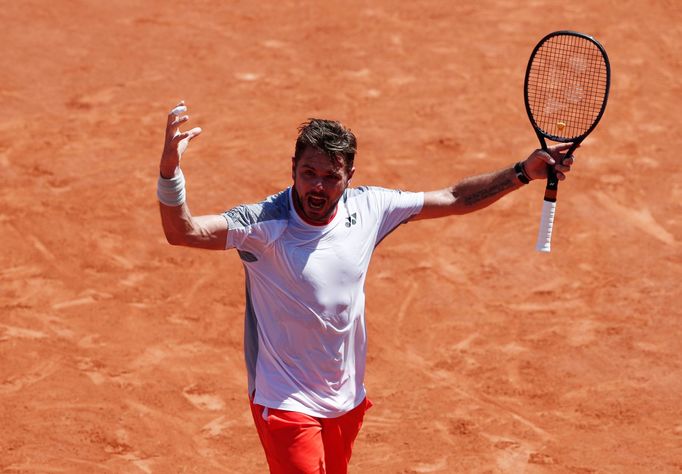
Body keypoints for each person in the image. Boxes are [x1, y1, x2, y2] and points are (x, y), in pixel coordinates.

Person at [157, 100, 575, 473]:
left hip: (346, 398)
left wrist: (523, 172)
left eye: (330, 177)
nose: (317, 187)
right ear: (293, 170)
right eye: (308, 174)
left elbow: (452, 197)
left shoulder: (369, 207)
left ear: (349, 177)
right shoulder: (264, 223)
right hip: (283, 399)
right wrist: (169, 174)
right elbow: (184, 231)